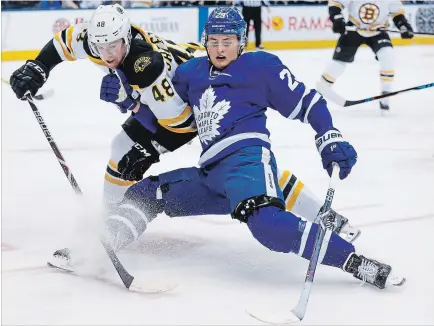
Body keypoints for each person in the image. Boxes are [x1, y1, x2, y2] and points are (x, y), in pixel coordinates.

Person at [9, 4, 361, 264]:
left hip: (190, 98)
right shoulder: (100, 38)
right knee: (126, 151)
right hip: (173, 88)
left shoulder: (146, 65)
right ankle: (109, 230)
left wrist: (134, 111)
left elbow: (179, 121)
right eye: (100, 49)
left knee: (232, 168)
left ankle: (106, 234)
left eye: (113, 47)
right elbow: (62, 43)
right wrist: (38, 67)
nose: (107, 55)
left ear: (126, 37)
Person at [96, 7, 404, 289]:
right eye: (213, 41)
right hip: (210, 174)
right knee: (146, 194)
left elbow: (309, 102)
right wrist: (129, 102)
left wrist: (329, 135)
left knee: (267, 225)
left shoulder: (260, 66)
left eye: (227, 41)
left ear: (241, 40)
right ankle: (103, 244)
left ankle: (357, 263)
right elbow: (168, 117)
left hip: (246, 162)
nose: (219, 48)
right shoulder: (190, 72)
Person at [317, 0, 414, 111]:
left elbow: (397, 14)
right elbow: (335, 3)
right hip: (354, 28)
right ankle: (319, 91)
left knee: (387, 55)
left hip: (378, 31)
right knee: (339, 63)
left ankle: (385, 95)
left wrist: (403, 26)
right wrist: (337, 18)